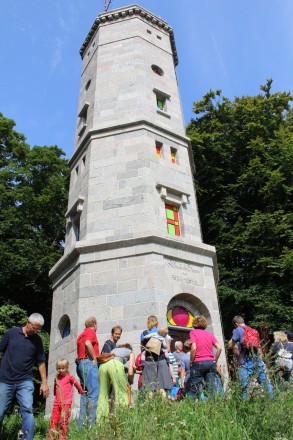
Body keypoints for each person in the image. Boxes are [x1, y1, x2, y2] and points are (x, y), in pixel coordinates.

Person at [0, 313, 49, 440]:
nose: (36, 331)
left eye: (39, 329)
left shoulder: (37, 340)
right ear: (28, 322)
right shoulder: (11, 334)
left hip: (25, 381)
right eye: (35, 327)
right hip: (5, 380)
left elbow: (41, 361)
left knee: (28, 410)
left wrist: (44, 382)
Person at [228, 315, 274, 399]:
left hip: (245, 361)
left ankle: (245, 402)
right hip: (257, 359)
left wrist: (233, 335)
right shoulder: (253, 330)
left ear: (236, 324)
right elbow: (258, 346)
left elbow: (231, 345)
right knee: (264, 380)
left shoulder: (238, 330)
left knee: (244, 383)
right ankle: (272, 398)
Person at [186, 315, 222, 399]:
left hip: (198, 362)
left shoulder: (193, 332)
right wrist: (215, 360)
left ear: (194, 323)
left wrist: (191, 361)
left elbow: (194, 348)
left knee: (194, 387)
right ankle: (212, 408)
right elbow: (219, 348)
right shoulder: (209, 334)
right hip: (210, 363)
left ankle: (189, 407)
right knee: (211, 388)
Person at [48, 358, 85, 440]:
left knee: (63, 421)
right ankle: (51, 437)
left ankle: (62, 437)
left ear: (67, 368)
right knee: (54, 421)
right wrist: (55, 393)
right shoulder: (56, 378)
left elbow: (77, 384)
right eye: (58, 368)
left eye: (62, 368)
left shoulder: (69, 377)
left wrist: (81, 390)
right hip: (56, 403)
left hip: (66, 403)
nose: (60, 370)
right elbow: (55, 387)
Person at [96, 344, 135, 421]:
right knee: (121, 393)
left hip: (102, 367)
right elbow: (130, 373)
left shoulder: (113, 351)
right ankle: (122, 419)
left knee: (103, 394)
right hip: (115, 365)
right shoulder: (131, 352)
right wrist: (131, 380)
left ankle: (100, 422)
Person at [76, 316, 99, 428]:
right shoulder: (91, 331)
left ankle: (81, 427)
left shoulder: (81, 335)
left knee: (84, 395)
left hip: (80, 364)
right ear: (94, 324)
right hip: (89, 363)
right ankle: (91, 426)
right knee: (94, 394)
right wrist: (94, 358)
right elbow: (88, 343)